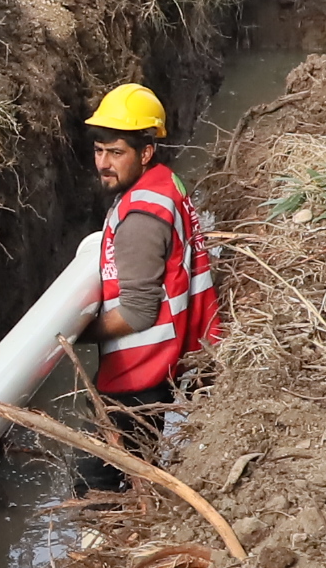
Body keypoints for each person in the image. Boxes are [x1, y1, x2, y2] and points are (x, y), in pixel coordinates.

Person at [72, 83, 221, 462]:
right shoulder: (165, 183)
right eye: (99, 150)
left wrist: (73, 333)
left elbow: (138, 313)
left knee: (97, 487)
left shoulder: (141, 216)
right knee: (136, 473)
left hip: (138, 373)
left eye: (117, 153)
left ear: (146, 152)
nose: (104, 163)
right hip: (162, 364)